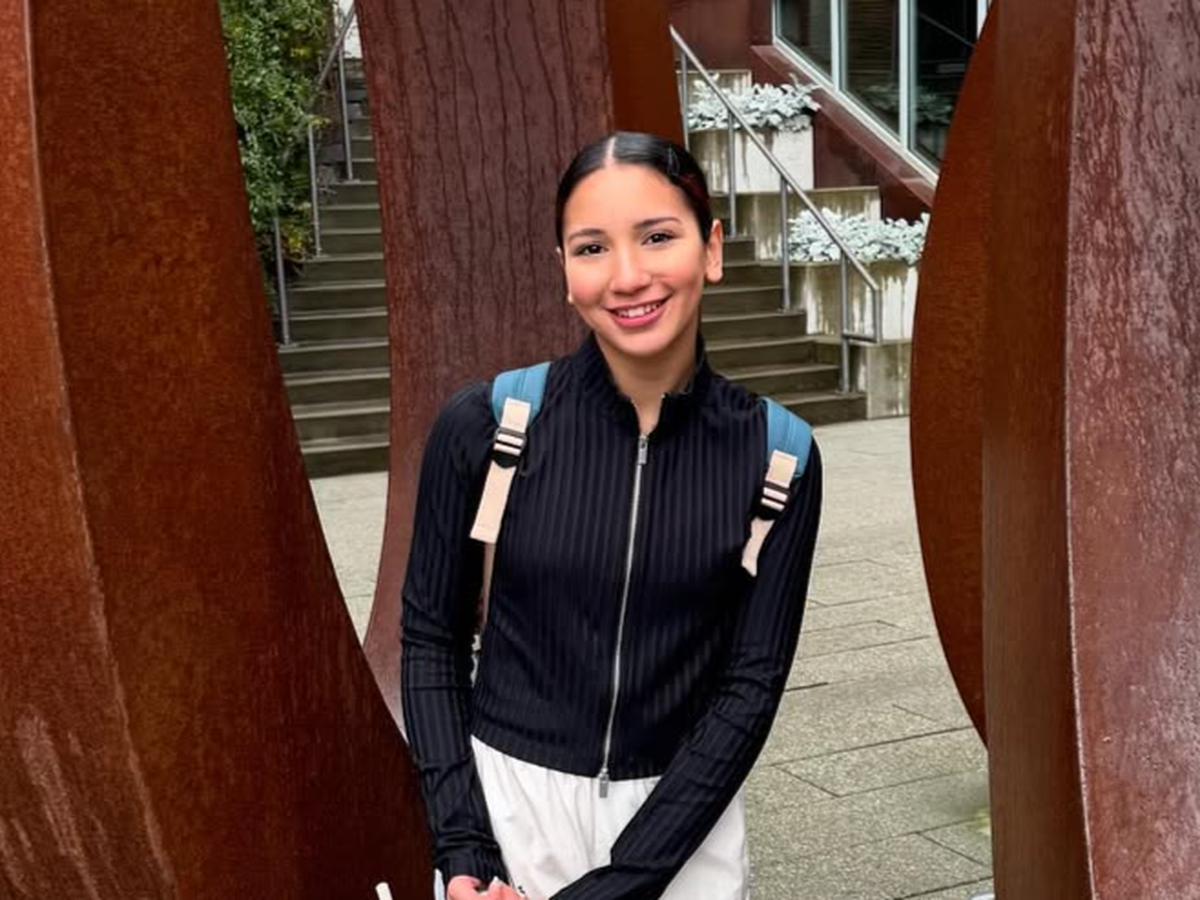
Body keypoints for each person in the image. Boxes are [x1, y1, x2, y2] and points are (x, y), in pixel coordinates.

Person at [401, 131, 823, 900]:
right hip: (512, 818)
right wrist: (463, 851)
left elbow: (749, 685)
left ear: (711, 250)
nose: (628, 277)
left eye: (658, 237)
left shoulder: (780, 455)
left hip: (681, 831)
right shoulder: (487, 425)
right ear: (565, 272)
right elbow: (431, 640)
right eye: (591, 248)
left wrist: (622, 884)